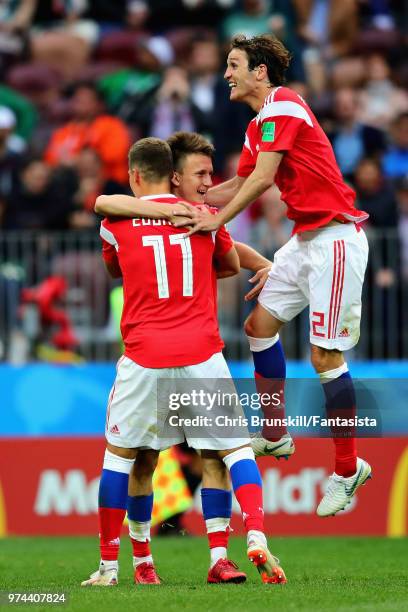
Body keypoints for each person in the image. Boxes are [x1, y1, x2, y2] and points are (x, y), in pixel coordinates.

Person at [172, 34, 372, 518]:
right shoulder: (258, 123)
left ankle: (348, 470)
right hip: (304, 242)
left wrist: (214, 221)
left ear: (260, 71)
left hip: (336, 240)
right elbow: (240, 182)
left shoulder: (284, 104)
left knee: (325, 355)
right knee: (258, 326)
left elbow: (262, 181)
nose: (226, 74)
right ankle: (276, 432)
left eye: (234, 64)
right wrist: (183, 203)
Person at [82, 137, 286, 587]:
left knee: (127, 459)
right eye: (202, 175)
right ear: (173, 174)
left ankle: (118, 565)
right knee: (229, 450)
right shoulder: (207, 218)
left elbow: (112, 251)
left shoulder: (115, 220)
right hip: (200, 353)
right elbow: (230, 264)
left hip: (144, 357)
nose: (208, 184)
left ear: (135, 175)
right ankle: (248, 539)